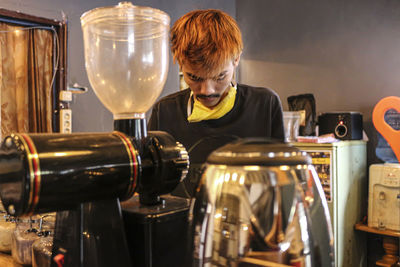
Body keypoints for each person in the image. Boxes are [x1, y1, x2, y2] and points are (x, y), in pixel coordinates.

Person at [148, 9, 284, 196]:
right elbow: (150, 186)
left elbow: (281, 186)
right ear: (180, 63)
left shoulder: (264, 106)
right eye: (194, 77)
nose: (207, 90)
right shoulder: (165, 112)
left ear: (236, 59)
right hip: (180, 224)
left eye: (220, 76)